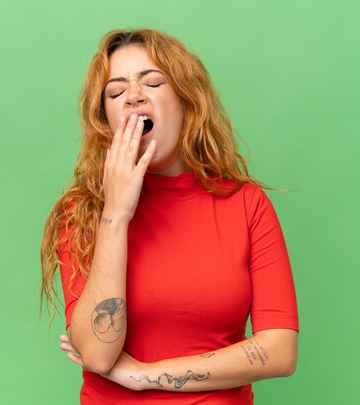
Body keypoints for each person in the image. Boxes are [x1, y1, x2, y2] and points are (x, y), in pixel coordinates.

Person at [41, 28, 299, 404]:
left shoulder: (247, 204)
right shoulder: (80, 213)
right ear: (106, 118)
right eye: (115, 92)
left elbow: (279, 350)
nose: (133, 96)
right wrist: (116, 212)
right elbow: (98, 353)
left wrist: (146, 376)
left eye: (153, 82)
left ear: (185, 99)